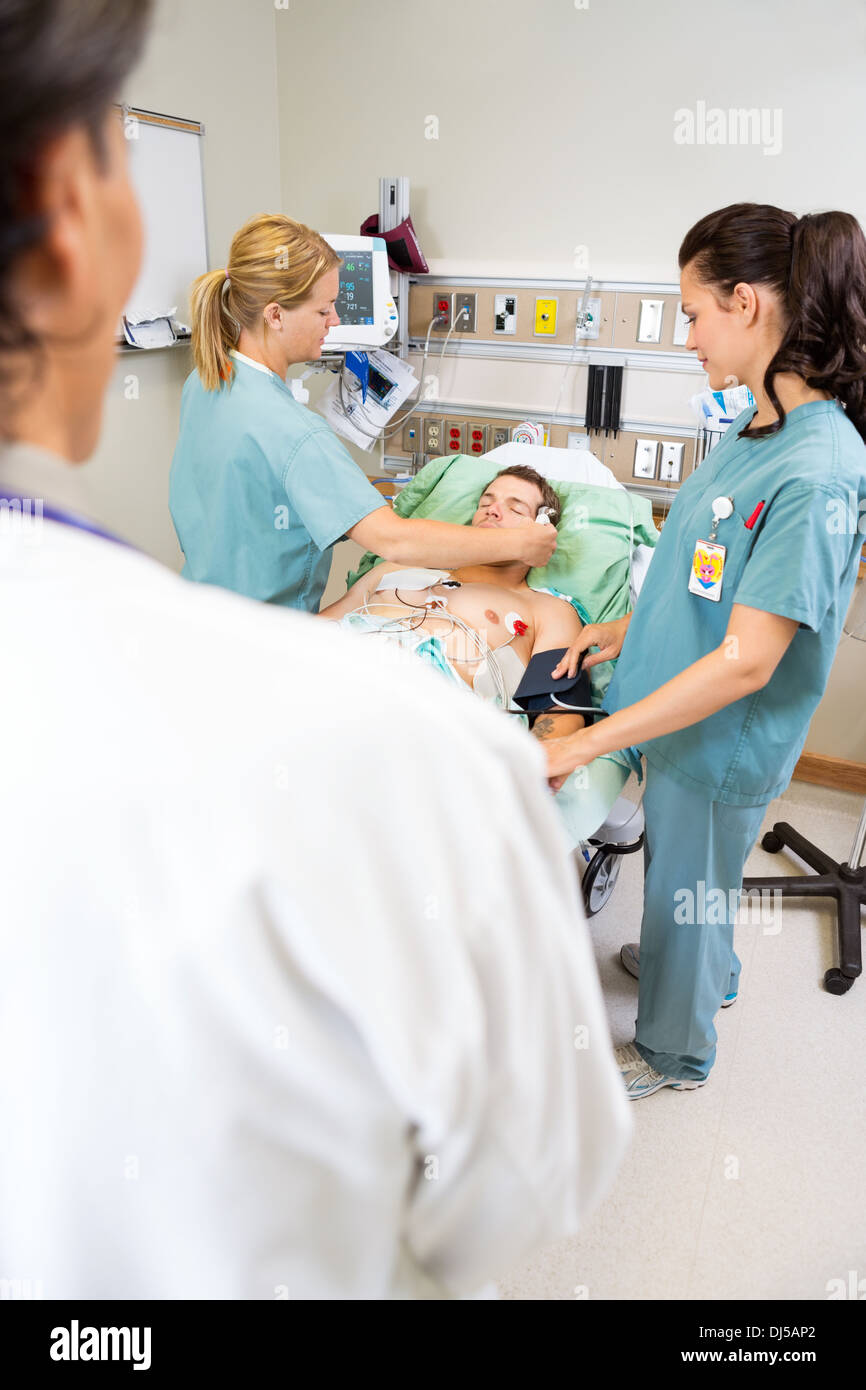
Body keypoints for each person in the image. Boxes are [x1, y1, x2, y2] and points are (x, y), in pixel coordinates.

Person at [0, 0, 630, 1298]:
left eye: (529, 506)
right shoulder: (379, 667)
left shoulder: (239, 404)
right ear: (82, 225)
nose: (507, 510)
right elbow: (521, 1181)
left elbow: (551, 691)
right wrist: (421, 577)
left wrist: (536, 648)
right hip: (334, 649)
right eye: (496, 496)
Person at [545, 202, 866, 1101]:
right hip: (683, 705)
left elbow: (748, 661)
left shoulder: (819, 466)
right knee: (694, 878)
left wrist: (583, 743)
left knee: (691, 875)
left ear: (747, 304)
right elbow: (702, 566)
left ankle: (673, 1053)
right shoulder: (758, 423)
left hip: (722, 735)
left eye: (692, 312)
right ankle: (708, 970)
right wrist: (624, 630)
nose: (685, 334)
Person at [168, 216, 556, 612]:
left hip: (200, 619)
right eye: (324, 310)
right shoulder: (298, 434)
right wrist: (519, 543)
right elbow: (394, 541)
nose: (335, 320)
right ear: (275, 315)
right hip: (267, 639)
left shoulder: (204, 382)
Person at [321, 463, 589, 744]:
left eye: (515, 509)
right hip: (330, 680)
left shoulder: (548, 609)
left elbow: (559, 711)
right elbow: (313, 630)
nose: (493, 510)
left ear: (544, 531)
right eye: (486, 502)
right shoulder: (394, 567)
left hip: (416, 726)